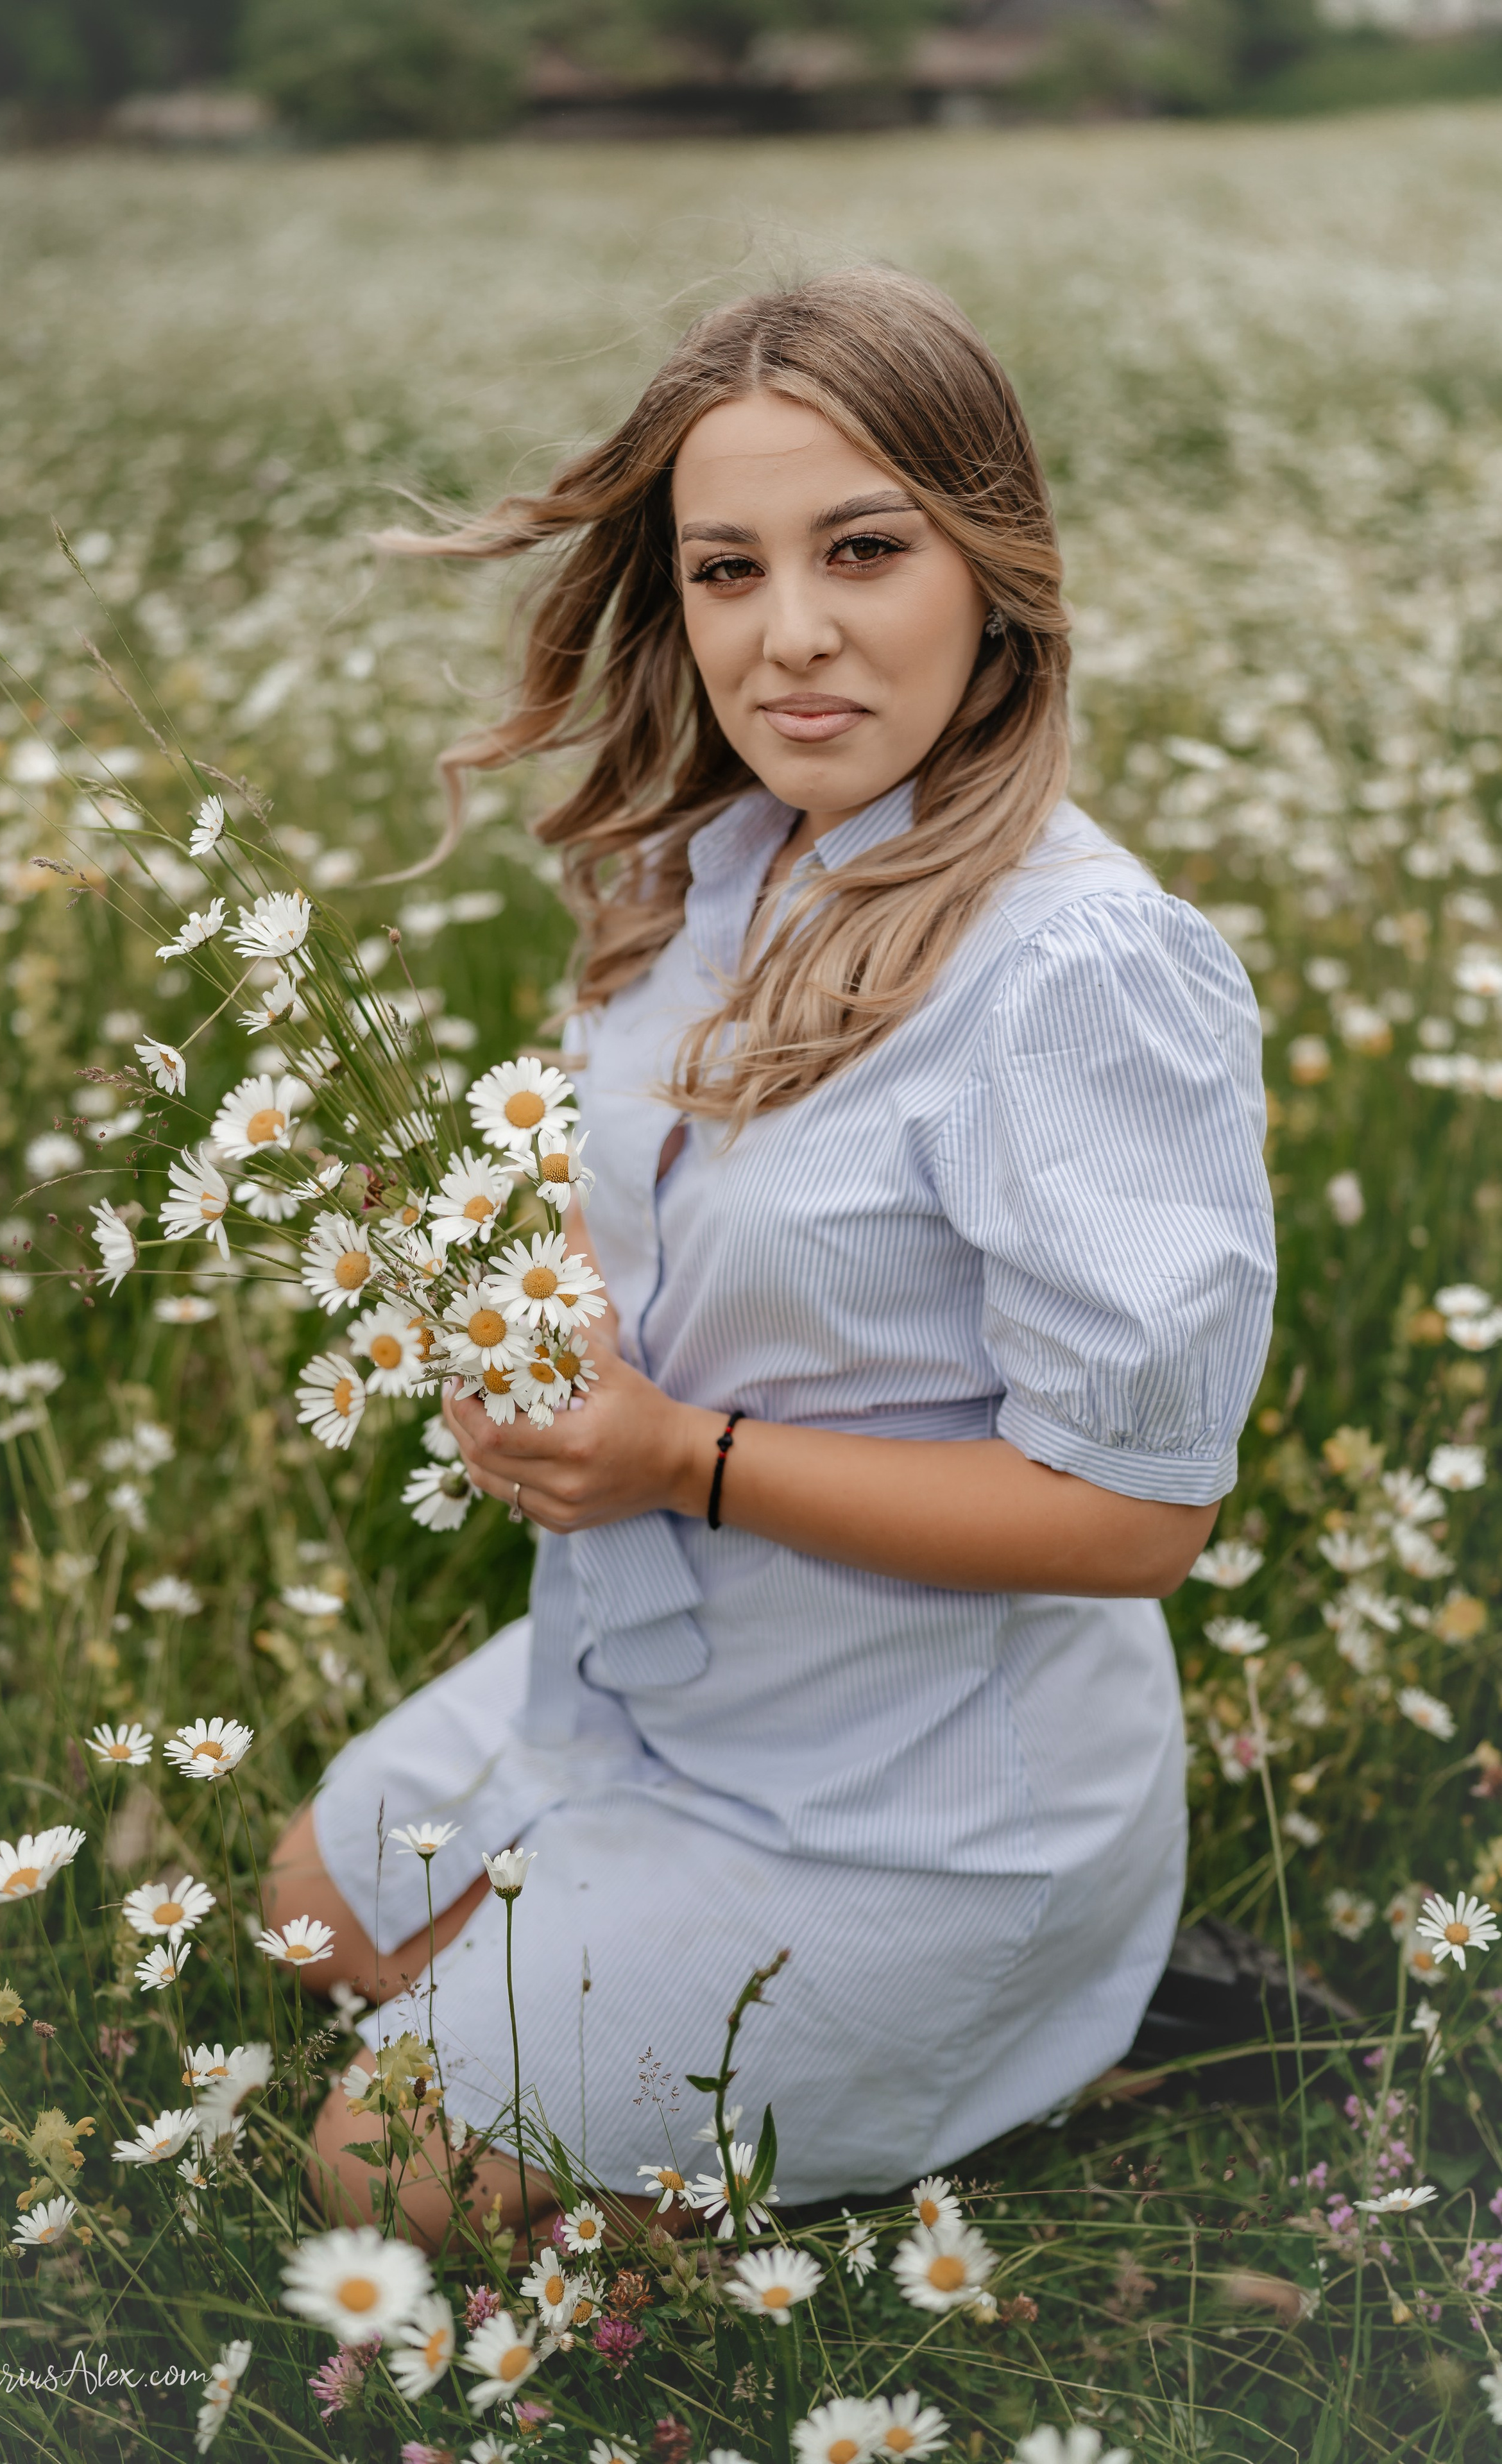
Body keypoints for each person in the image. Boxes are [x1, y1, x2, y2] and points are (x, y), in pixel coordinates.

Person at [266, 267, 1276, 2244]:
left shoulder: (1081, 973)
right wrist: (520, 1320)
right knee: (313, 1919)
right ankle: (672, 1969)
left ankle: (1062, 2005)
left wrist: (679, 1461)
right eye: (727, 570)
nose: (789, 633)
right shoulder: (709, 867)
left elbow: (1136, 1523)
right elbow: (655, 1218)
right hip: (669, 1669)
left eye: (865, 551)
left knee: (384, 2177)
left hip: (921, 1794)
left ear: (995, 570)